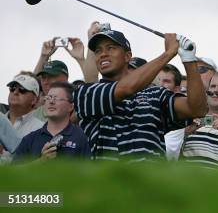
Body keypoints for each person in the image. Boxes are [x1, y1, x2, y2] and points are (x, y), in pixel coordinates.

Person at [74, 27, 206, 161]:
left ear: (127, 56)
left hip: (152, 180)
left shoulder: (156, 93)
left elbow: (197, 109)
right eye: (98, 51)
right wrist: (168, 53)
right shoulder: (86, 92)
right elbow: (127, 88)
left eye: (111, 48)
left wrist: (189, 60)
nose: (103, 54)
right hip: (109, 180)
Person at [13, 82, 90, 162]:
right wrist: (41, 161)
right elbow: (13, 173)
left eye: (56, 98)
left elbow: (90, 172)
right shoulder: (30, 139)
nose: (51, 102)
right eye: (48, 98)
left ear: (71, 107)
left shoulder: (81, 137)